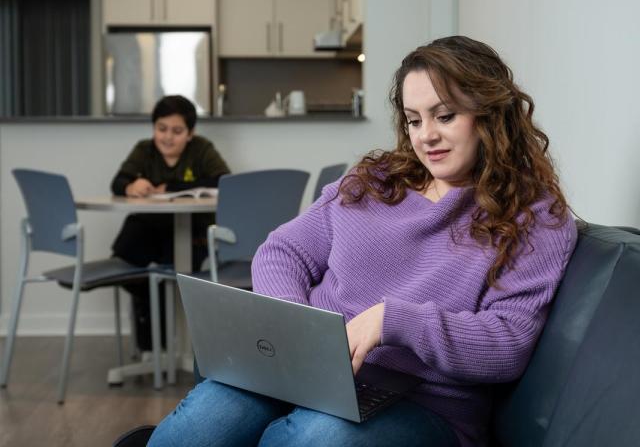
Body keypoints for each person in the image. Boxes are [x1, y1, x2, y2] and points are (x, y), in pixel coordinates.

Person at [148, 37, 577, 447]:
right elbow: (283, 252)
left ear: (490, 113)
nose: (426, 135)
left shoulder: (535, 216)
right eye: (414, 119)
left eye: (444, 116)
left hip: (425, 403)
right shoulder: (374, 181)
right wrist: (297, 331)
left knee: (310, 440)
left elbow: (508, 343)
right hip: (307, 373)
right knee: (201, 428)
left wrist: (395, 321)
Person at [111, 95, 230, 352]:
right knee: (128, 252)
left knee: (172, 274)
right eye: (161, 129)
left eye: (177, 131)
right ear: (154, 128)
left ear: (190, 133)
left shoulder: (201, 148)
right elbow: (118, 182)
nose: (167, 137)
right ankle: (154, 339)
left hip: (193, 233)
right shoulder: (144, 149)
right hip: (151, 231)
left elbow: (223, 180)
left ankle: (181, 347)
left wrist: (172, 187)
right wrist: (131, 185)